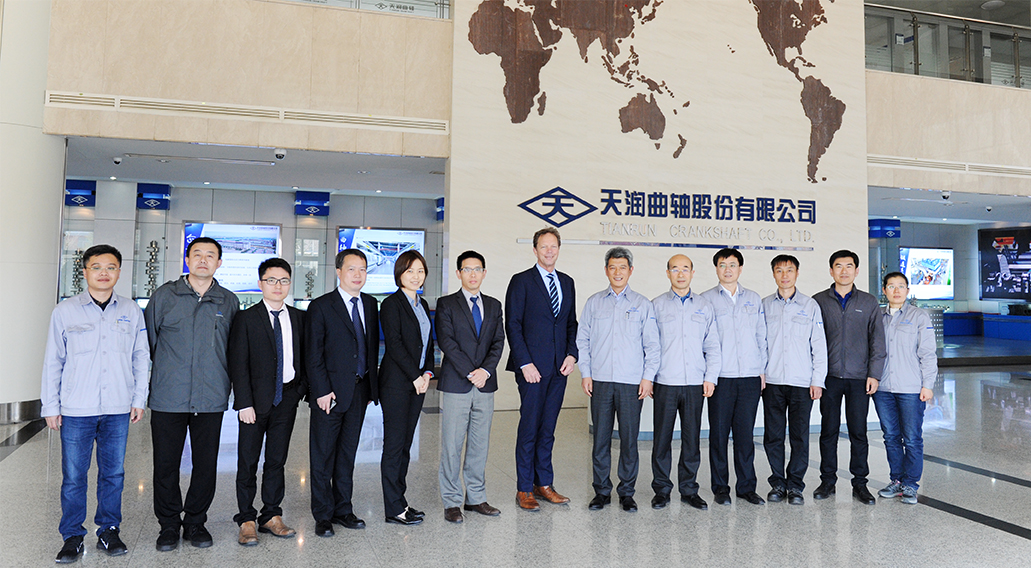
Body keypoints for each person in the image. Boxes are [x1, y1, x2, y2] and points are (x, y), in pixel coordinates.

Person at [41, 245, 149, 564]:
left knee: (113, 474)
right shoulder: (65, 311)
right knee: (74, 476)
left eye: (111, 267)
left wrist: (139, 398)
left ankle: (108, 530)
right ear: (85, 271)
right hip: (77, 408)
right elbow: (53, 360)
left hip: (118, 407)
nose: (104, 273)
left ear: (119, 272)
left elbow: (141, 356)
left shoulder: (131, 310)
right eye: (97, 267)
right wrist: (50, 405)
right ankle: (72, 536)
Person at [145, 236, 239, 550]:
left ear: (219, 263)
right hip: (168, 396)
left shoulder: (228, 301)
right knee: (166, 465)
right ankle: (169, 525)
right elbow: (150, 343)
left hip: (210, 397)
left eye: (210, 255)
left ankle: (196, 522)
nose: (203, 260)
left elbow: (233, 349)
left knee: (205, 464)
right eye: (197, 254)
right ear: (187, 259)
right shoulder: (165, 296)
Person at [228, 258, 307, 546]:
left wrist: (298, 391)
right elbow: (238, 363)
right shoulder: (246, 318)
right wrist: (243, 403)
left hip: (286, 399)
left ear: (289, 284)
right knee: (247, 461)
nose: (278, 285)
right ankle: (246, 518)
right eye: (271, 280)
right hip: (254, 403)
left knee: (276, 460)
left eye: (283, 280)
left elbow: (305, 357)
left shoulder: (299, 318)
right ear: (261, 283)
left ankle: (271, 515)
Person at [578, 247, 660, 513]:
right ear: (606, 270)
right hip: (600, 381)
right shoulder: (594, 303)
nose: (617, 272)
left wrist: (648, 378)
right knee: (600, 440)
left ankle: (626, 492)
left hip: (631, 383)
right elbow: (583, 340)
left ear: (630, 271)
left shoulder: (642, 304)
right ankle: (601, 491)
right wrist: (586, 373)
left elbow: (652, 345)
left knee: (629, 440)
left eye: (622, 267)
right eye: (612, 267)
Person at [306, 248, 380, 537]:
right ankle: (323, 515)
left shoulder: (370, 304)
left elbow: (369, 348)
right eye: (352, 269)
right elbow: (313, 354)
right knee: (323, 456)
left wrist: (371, 388)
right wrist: (322, 390)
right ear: (339, 272)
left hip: (359, 392)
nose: (358, 274)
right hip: (330, 395)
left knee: (347, 454)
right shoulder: (322, 306)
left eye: (363, 269)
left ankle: (343, 509)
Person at [505, 227, 579, 511]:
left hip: (559, 368)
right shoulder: (521, 281)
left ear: (559, 249)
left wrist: (571, 355)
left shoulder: (567, 282)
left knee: (548, 428)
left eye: (553, 246)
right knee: (529, 428)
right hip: (532, 370)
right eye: (544, 246)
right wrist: (525, 362)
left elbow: (570, 323)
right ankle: (524, 488)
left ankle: (544, 483)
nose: (549, 251)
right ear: (535, 250)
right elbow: (513, 324)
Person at [435, 251, 505, 524]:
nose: (472, 274)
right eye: (467, 269)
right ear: (458, 273)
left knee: (479, 444)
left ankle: (475, 497)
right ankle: (452, 501)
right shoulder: (446, 304)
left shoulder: (494, 305)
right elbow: (447, 341)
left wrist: (485, 371)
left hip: (485, 385)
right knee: (452, 445)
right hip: (457, 383)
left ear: (484, 273)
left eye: (477, 269)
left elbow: (498, 341)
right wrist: (470, 372)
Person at [812, 250, 886, 505]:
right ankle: (827, 481)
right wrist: (815, 376)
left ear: (857, 270)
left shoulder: (869, 302)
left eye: (849, 266)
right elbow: (811, 341)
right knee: (828, 431)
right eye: (838, 266)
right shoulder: (818, 301)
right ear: (831, 270)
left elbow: (877, 341)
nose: (844, 271)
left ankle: (860, 483)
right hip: (829, 377)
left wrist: (874, 374)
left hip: (859, 378)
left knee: (859, 432)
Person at [650, 254, 720, 511]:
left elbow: (713, 346)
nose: (680, 274)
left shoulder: (704, 306)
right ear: (667, 273)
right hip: (665, 382)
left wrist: (710, 377)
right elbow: (649, 345)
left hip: (694, 383)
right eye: (675, 269)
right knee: (662, 439)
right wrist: (649, 378)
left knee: (691, 439)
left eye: (685, 269)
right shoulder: (656, 305)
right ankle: (661, 490)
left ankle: (689, 489)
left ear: (692, 273)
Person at [700, 248, 768, 506]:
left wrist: (761, 371)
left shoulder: (753, 299)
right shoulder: (705, 300)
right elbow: (702, 341)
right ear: (716, 269)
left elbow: (761, 337)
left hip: (749, 377)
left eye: (732, 264)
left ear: (740, 268)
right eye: (722, 264)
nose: (727, 269)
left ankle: (746, 487)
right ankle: (720, 488)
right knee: (718, 435)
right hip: (721, 378)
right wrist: (708, 375)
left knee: (745, 436)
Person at [761, 255, 827, 506]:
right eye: (779, 270)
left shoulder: (810, 306)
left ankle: (796, 485)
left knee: (799, 436)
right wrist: (760, 374)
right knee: (773, 435)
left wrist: (817, 380)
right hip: (773, 381)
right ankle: (778, 483)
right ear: (773, 274)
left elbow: (818, 345)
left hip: (802, 382)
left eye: (789, 270)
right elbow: (759, 343)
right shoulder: (764, 305)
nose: (784, 275)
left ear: (797, 273)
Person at [379, 250, 435, 526]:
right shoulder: (391, 304)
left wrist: (427, 373)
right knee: (394, 445)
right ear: (399, 273)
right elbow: (395, 344)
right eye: (410, 270)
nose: (416, 276)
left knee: (405, 445)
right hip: (397, 384)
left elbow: (428, 344)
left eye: (420, 271)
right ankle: (393, 508)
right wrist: (415, 376)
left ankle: (400, 501)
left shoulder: (421, 304)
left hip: (418, 384)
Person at [874, 272, 938, 505]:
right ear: (884, 290)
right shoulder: (877, 317)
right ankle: (896, 480)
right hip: (883, 388)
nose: (896, 290)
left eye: (901, 286)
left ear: (908, 291)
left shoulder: (919, 316)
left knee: (911, 438)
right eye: (891, 286)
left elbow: (928, 353)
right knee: (891, 436)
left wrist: (927, 385)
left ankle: (911, 484)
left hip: (911, 387)